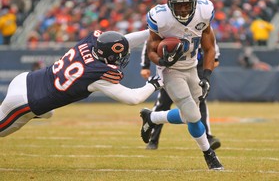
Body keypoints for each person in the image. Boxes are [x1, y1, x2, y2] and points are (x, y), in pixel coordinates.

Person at [0, 29, 163, 137]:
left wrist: (151, 31)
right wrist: (154, 83)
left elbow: (121, 42)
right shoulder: (96, 74)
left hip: (25, 79)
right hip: (25, 102)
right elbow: (133, 98)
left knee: (49, 112)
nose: (122, 58)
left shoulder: (90, 44)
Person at [140, 0, 224, 170]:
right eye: (180, 5)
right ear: (170, 4)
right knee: (194, 116)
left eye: (187, 4)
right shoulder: (160, 17)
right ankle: (209, 156)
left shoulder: (204, 11)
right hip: (170, 70)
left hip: (192, 67)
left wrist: (207, 76)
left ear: (194, 1)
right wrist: (162, 61)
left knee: (189, 115)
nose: (184, 9)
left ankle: (152, 118)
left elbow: (209, 47)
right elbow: (152, 48)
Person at [140, 41, 221, 150]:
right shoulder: (166, 24)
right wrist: (145, 65)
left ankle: (207, 137)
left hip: (195, 67)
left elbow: (210, 41)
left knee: (199, 101)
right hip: (172, 69)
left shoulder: (200, 24)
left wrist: (214, 58)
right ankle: (153, 138)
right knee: (163, 103)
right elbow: (151, 41)